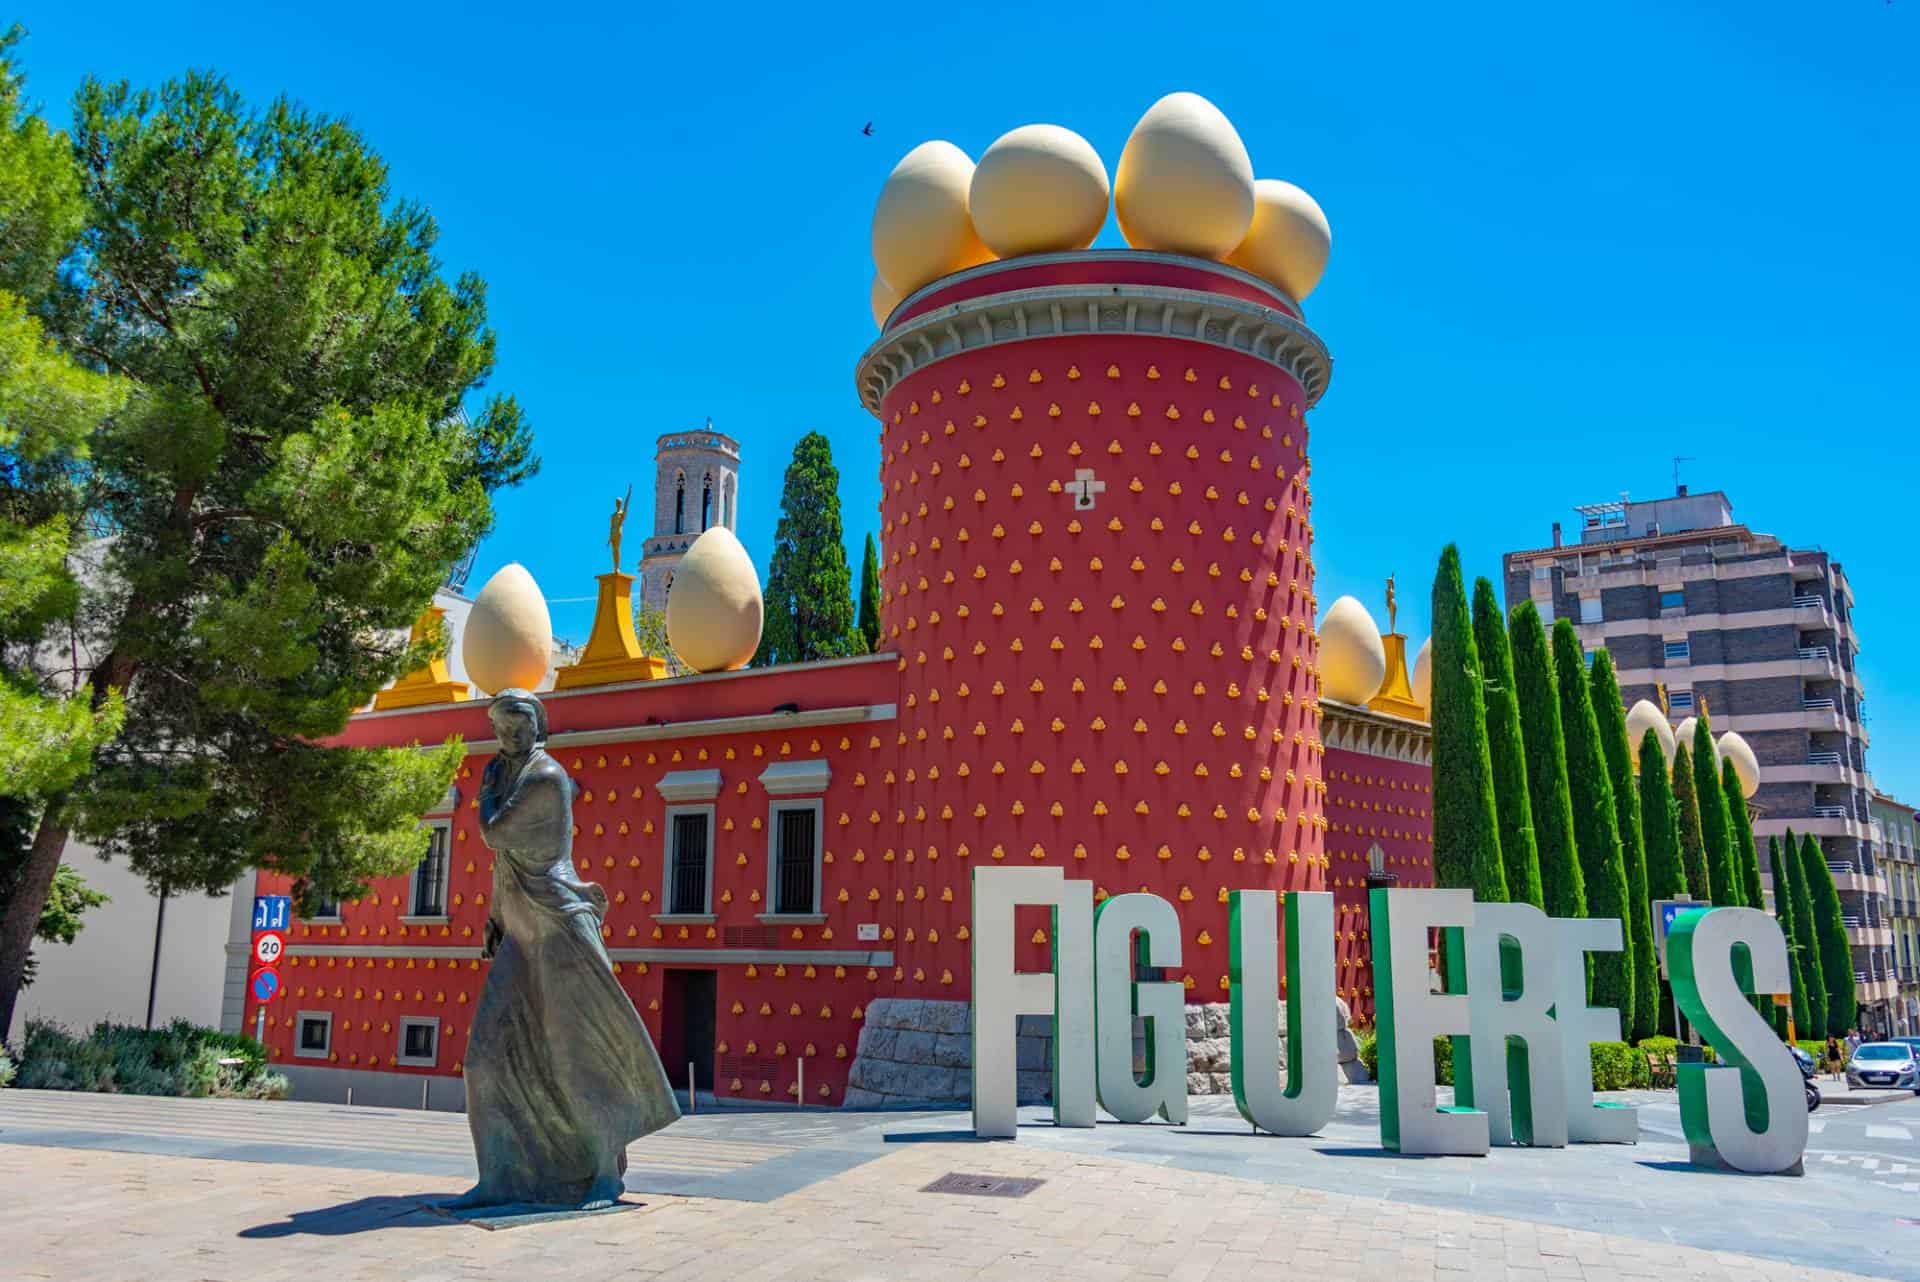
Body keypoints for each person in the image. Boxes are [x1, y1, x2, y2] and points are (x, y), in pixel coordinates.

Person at [447, 689, 678, 1212]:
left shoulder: (546, 778)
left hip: (559, 926)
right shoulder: (504, 774)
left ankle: (603, 1174)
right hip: (520, 929)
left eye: (519, 728)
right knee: (485, 1059)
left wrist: (485, 785)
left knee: (579, 1057)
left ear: (538, 726)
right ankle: (499, 1177)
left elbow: (493, 834)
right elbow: (504, 862)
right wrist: (494, 915)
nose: (510, 738)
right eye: (502, 730)